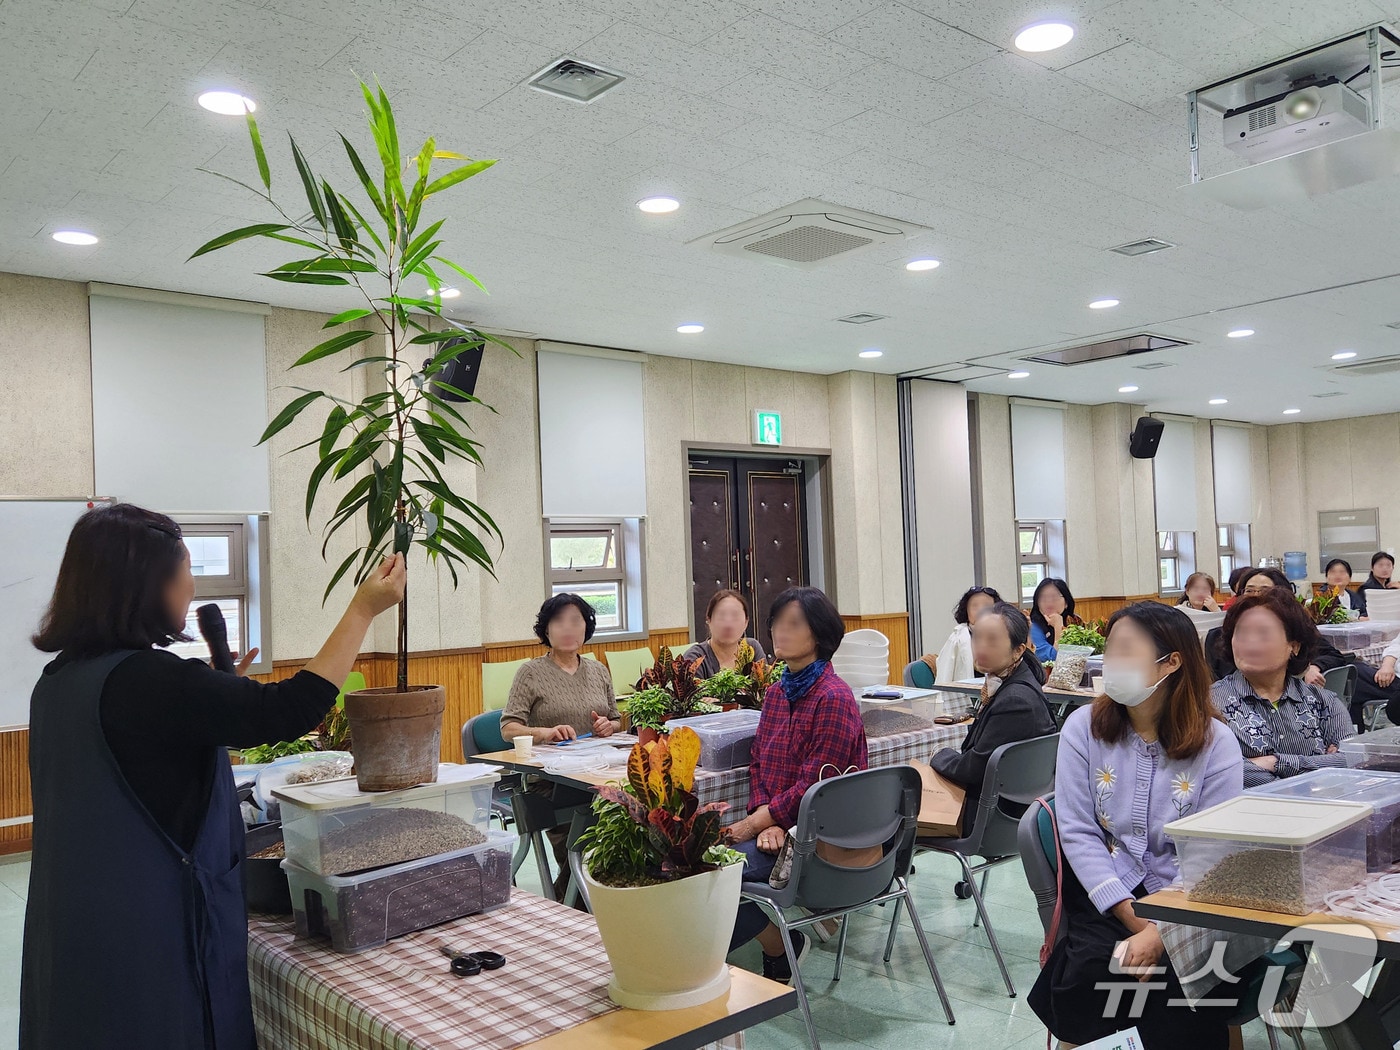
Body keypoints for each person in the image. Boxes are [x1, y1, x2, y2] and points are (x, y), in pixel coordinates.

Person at [20, 504, 406, 1050]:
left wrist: (216, 700)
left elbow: (143, 769)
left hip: (78, 917)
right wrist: (364, 609)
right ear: (147, 584)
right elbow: (292, 708)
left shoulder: (58, 680)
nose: (191, 585)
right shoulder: (151, 679)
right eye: (183, 570)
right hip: (151, 930)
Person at [1029, 603, 1244, 1050]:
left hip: (1190, 899)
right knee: (1092, 973)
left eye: (1126, 650)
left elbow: (1213, 848)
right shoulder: (1082, 728)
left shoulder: (1216, 744)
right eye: (1109, 650)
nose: (1111, 662)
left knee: (1186, 987)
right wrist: (1128, 913)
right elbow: (1077, 830)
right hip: (1108, 892)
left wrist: (1162, 931)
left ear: (1171, 662)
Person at [726, 587, 867, 983]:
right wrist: (763, 817)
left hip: (817, 839)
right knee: (690, 865)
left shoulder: (833, 697)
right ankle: (779, 943)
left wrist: (758, 824)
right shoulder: (776, 691)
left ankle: (697, 970)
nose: (780, 633)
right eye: (777, 623)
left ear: (819, 635)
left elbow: (816, 785)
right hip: (780, 826)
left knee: (709, 875)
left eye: (794, 624)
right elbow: (759, 762)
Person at [501, 593, 621, 900]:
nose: (567, 628)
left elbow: (618, 720)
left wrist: (608, 726)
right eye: (558, 621)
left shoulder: (598, 670)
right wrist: (545, 732)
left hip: (599, 774)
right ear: (546, 630)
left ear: (586, 628)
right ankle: (574, 908)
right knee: (588, 847)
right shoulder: (531, 672)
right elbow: (508, 728)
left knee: (625, 828)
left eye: (575, 621)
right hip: (552, 782)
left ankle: (582, 906)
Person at [1206, 567, 1399, 728]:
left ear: (1294, 645)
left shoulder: (1325, 704)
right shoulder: (1218, 705)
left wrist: (1311, 667)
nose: (1256, 597)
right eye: (1249, 591)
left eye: (1264, 591)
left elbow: (1342, 759)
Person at [1212, 590, 1352, 788]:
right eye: (1241, 633)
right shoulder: (1210, 703)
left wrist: (1274, 762)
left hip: (1320, 812)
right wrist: (1316, 770)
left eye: (1263, 634)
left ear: (1293, 646)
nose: (1250, 643)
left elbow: (1350, 760)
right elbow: (1216, 772)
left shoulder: (1323, 702)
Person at [928, 602, 1055, 818]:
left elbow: (974, 768)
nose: (982, 647)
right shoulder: (1013, 681)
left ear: (1018, 650)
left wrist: (939, 755)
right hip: (1010, 808)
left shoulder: (1016, 701)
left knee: (898, 816)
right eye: (977, 638)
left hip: (995, 814)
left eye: (993, 640)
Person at [682, 589, 767, 677]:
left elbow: (764, 687)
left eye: (735, 616)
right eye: (721, 616)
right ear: (709, 620)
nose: (728, 624)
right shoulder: (694, 658)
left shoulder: (751, 648)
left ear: (746, 622)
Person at [933, 585, 1002, 686]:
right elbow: (945, 674)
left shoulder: (1003, 634)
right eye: (975, 606)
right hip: (967, 694)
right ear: (966, 611)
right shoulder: (957, 637)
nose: (980, 610)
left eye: (986, 606)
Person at [1029, 577, 1082, 662]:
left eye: (1055, 597)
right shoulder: (1033, 627)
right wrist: (1058, 627)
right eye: (1043, 597)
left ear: (1066, 603)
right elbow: (1052, 659)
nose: (1049, 602)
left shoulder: (1074, 621)